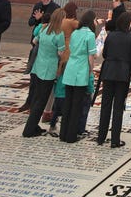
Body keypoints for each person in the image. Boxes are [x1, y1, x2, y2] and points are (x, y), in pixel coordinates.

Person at [96, 11, 131, 148]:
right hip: (122, 75)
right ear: (127, 23)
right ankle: (115, 140)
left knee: (105, 106)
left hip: (108, 72)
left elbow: (105, 53)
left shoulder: (111, 35)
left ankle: (101, 137)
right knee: (118, 108)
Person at [23, 8, 66, 136]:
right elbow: (60, 52)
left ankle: (33, 126)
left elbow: (34, 41)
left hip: (37, 67)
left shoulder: (43, 29)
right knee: (41, 101)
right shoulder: (59, 34)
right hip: (48, 70)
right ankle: (29, 130)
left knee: (36, 98)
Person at [61, 10, 97, 143]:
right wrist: (90, 71)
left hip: (70, 68)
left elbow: (71, 48)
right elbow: (91, 56)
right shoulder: (90, 35)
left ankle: (63, 133)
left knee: (68, 103)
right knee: (77, 105)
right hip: (81, 71)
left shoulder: (75, 33)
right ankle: (71, 135)